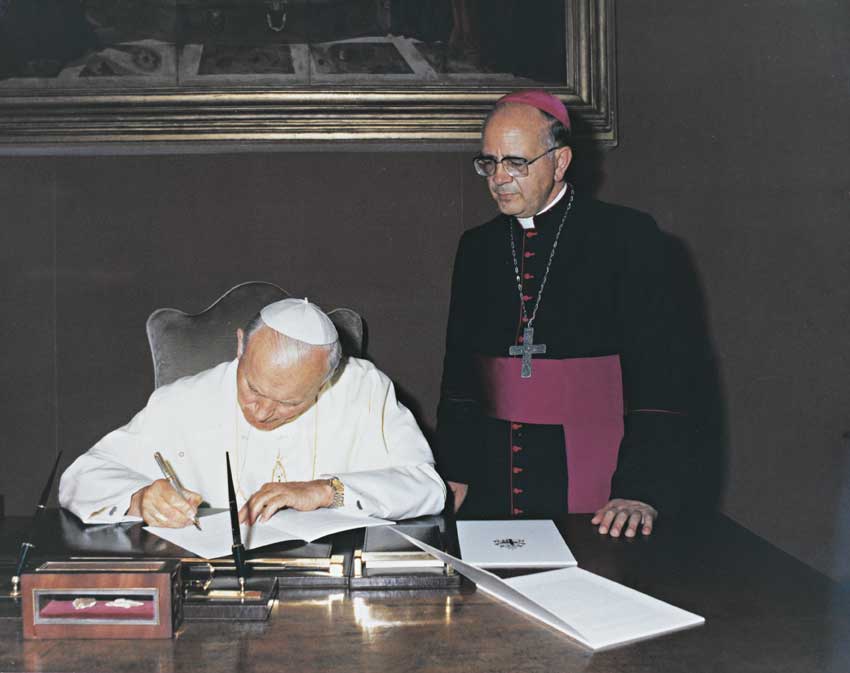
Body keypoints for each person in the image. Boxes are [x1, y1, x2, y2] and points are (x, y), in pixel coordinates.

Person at [436, 90, 699, 538]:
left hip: (600, 475)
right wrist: (455, 468)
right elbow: (461, 372)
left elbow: (663, 376)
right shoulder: (477, 247)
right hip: (494, 474)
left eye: (516, 162)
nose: (499, 178)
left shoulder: (627, 237)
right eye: (489, 162)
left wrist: (641, 486)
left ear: (560, 163)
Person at [60, 298, 446, 527]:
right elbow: (80, 477)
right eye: (253, 389)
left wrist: (330, 491)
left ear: (328, 378)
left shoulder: (364, 389)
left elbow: (427, 487)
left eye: (290, 403)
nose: (261, 412)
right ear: (241, 345)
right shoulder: (184, 400)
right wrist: (140, 497)